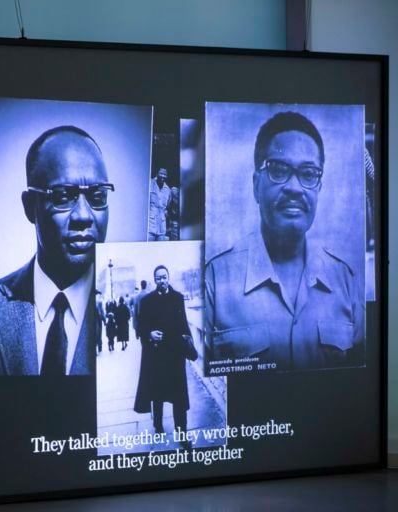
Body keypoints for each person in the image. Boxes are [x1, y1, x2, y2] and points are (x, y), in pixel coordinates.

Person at [204, 111, 365, 371]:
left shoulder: (344, 279)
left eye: (309, 173)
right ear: (256, 185)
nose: (294, 188)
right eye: (278, 169)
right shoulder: (215, 279)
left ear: (319, 189)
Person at [0, 125, 112, 375]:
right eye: (63, 196)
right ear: (30, 207)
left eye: (97, 196)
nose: (84, 216)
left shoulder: (114, 309)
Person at [134, 265, 197, 438]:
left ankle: (181, 429)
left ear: (168, 278)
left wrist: (190, 345)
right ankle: (158, 425)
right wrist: (149, 334)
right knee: (158, 392)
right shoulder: (147, 301)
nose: (162, 280)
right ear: (155, 280)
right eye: (158, 278)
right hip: (157, 355)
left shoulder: (178, 298)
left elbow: (183, 322)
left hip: (176, 353)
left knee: (179, 394)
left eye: (164, 277)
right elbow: (141, 325)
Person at [148, 168, 171, 241]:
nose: (163, 176)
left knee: (160, 249)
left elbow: (167, 207)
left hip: (162, 226)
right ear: (157, 174)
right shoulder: (150, 184)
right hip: (150, 225)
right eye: (161, 173)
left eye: (165, 175)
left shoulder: (167, 190)